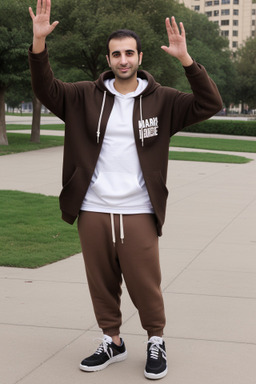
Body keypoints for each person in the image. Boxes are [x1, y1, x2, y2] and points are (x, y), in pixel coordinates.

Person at [28, 0, 222, 380]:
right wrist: (39, 45)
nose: (122, 59)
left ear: (139, 56)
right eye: (116, 53)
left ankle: (156, 340)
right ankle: (112, 341)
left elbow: (210, 103)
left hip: (138, 211)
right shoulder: (83, 96)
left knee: (145, 283)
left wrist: (187, 61)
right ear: (108, 58)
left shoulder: (163, 100)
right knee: (100, 283)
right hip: (94, 208)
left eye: (129, 53)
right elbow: (45, 88)